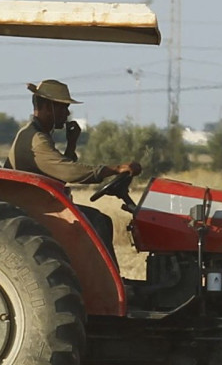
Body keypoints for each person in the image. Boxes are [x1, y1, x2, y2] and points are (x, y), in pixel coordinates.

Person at [10, 79, 140, 249]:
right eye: (63, 107)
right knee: (99, 222)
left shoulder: (37, 133)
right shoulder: (37, 139)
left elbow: (57, 174)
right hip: (33, 208)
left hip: (37, 203)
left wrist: (71, 143)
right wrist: (115, 169)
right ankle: (99, 276)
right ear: (49, 107)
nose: (67, 113)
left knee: (99, 220)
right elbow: (69, 173)